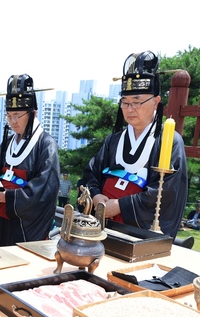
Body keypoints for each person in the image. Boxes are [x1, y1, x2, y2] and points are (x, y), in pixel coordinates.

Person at [79, 51, 188, 239]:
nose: (129, 109)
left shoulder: (170, 142)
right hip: (101, 224)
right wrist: (95, 196)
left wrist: (121, 206)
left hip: (137, 233)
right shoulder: (113, 140)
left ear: (155, 102)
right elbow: (91, 173)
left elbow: (166, 193)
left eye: (137, 103)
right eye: (125, 102)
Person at [0, 74, 60, 246]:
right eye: (9, 116)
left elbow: (45, 189)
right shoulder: (8, 143)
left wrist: (10, 197)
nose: (13, 121)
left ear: (33, 113)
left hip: (22, 226)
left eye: (17, 115)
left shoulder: (46, 145)